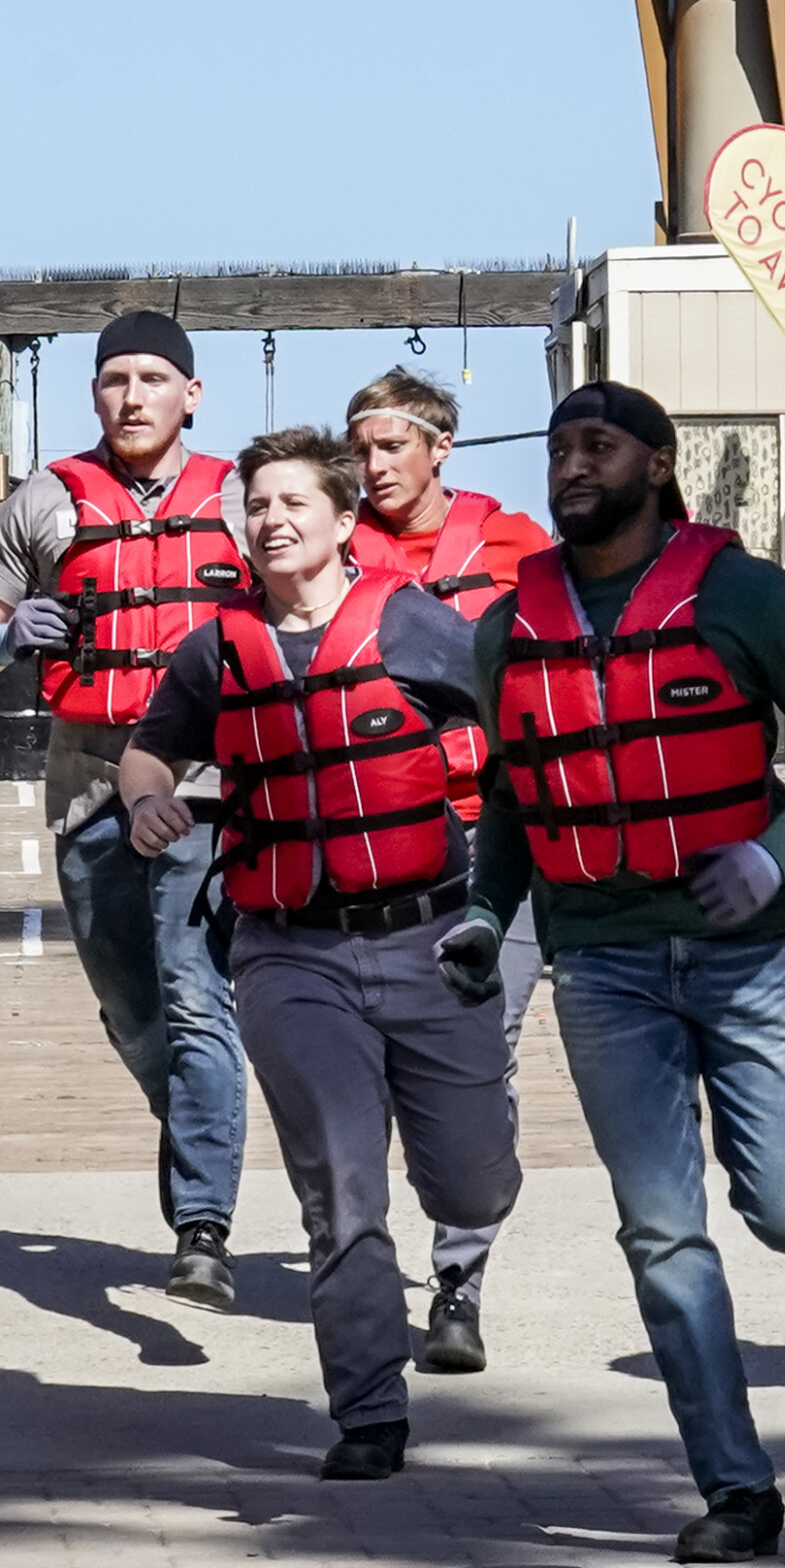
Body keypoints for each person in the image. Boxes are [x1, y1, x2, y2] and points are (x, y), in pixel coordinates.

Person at [445, 380, 785, 1566]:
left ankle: (783, 1165)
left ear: (659, 463)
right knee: (662, 1233)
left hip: (747, 953)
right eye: (561, 446)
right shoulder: (506, 627)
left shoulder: (741, 594)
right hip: (602, 965)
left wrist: (776, 853)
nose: (573, 464)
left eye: (600, 444)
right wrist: (484, 915)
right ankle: (737, 1489)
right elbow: (518, 794)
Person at [118, 429, 520, 1479]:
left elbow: (518, 718)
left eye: (295, 501)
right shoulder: (216, 648)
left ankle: (467, 1223)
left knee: (472, 1186)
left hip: (430, 939)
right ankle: (370, 1410)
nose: (272, 519)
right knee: (341, 1184)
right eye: (257, 503)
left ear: (346, 522)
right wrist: (151, 799)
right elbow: (147, 750)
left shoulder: (410, 621)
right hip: (287, 952)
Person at [0, 311, 255, 1308]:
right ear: (93, 394)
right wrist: (1, 642)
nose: (133, 396)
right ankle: (194, 1129)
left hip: (208, 786)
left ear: (192, 395)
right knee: (133, 1008)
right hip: (89, 781)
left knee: (197, 990)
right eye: (115, 378)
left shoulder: (246, 502)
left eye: (154, 378)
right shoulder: (45, 500)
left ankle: (202, 1223)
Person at [343, 365, 552, 1375]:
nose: (375, 467)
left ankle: (460, 1276)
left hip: (498, 840)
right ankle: (366, 1251)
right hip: (373, 840)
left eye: (392, 447)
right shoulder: (331, 550)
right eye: (363, 449)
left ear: (439, 448)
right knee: (374, 1070)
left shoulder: (515, 546)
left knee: (485, 1045)